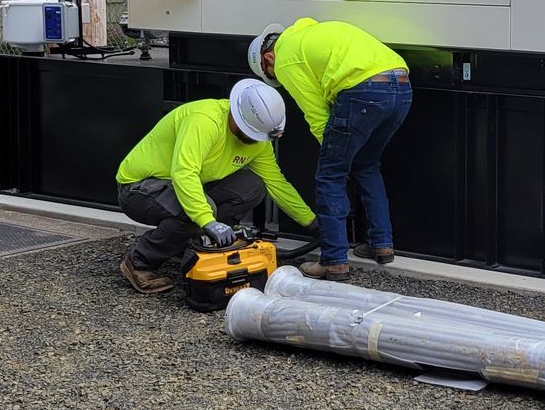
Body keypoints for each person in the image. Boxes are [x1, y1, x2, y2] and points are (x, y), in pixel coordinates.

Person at [114, 78, 316, 294]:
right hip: (139, 188)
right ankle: (140, 262)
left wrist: (311, 222)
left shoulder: (259, 142)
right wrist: (207, 220)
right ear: (238, 117)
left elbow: (276, 183)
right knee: (201, 210)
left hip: (187, 184)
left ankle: (188, 245)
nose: (256, 139)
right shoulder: (204, 120)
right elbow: (184, 173)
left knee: (253, 187)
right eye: (253, 133)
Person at [249, 18, 411, 282]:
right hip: (401, 86)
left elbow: (315, 114)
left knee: (330, 175)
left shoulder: (285, 59)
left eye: (271, 74)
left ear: (269, 57)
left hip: (362, 91)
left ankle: (334, 261)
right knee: (367, 166)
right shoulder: (309, 35)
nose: (278, 78)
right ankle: (381, 244)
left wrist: (333, 155)